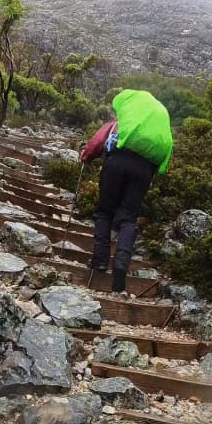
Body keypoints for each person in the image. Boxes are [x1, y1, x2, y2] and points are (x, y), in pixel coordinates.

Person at [80, 89, 173, 293]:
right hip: (144, 170)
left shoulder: (121, 122)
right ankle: (121, 265)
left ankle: (100, 261)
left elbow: (96, 143)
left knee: (105, 212)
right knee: (128, 219)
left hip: (116, 163)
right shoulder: (157, 125)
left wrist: (86, 157)